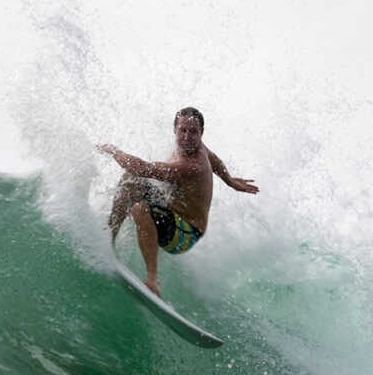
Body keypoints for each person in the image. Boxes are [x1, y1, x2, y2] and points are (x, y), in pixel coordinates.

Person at [96, 107, 259, 297]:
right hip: (169, 209)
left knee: (140, 209)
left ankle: (153, 280)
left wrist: (113, 151)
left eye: (193, 132)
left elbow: (143, 168)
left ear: (201, 132)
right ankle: (108, 240)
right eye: (183, 130)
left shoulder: (193, 166)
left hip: (186, 232)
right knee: (130, 180)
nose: (188, 137)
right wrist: (230, 181)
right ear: (175, 130)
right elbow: (214, 159)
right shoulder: (196, 145)